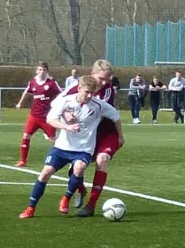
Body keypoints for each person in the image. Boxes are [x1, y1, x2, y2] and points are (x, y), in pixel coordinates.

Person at [19, 75, 122, 219]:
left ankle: (66, 198)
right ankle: (30, 208)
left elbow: (116, 117)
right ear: (79, 88)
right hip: (62, 147)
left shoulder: (98, 105)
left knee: (79, 168)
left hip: (83, 149)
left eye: (92, 93)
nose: (89, 95)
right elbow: (50, 119)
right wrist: (66, 126)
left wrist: (120, 136)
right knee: (45, 173)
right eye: (86, 92)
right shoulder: (66, 101)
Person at [52, 59, 125, 217]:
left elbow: (96, 110)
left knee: (102, 159)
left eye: (107, 79)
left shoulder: (108, 90)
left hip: (106, 133)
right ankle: (81, 188)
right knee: (76, 167)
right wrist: (64, 114)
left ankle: (91, 205)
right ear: (92, 74)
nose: (105, 82)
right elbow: (57, 102)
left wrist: (120, 136)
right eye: (102, 78)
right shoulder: (78, 86)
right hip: (86, 134)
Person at [15, 61, 62, 167]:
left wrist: (57, 104)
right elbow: (27, 92)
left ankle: (65, 156)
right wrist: (20, 103)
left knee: (53, 140)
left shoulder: (52, 83)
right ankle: (23, 161)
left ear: (47, 71)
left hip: (47, 117)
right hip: (34, 116)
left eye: (44, 70)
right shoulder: (32, 82)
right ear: (36, 70)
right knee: (26, 135)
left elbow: (62, 94)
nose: (42, 72)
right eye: (40, 70)